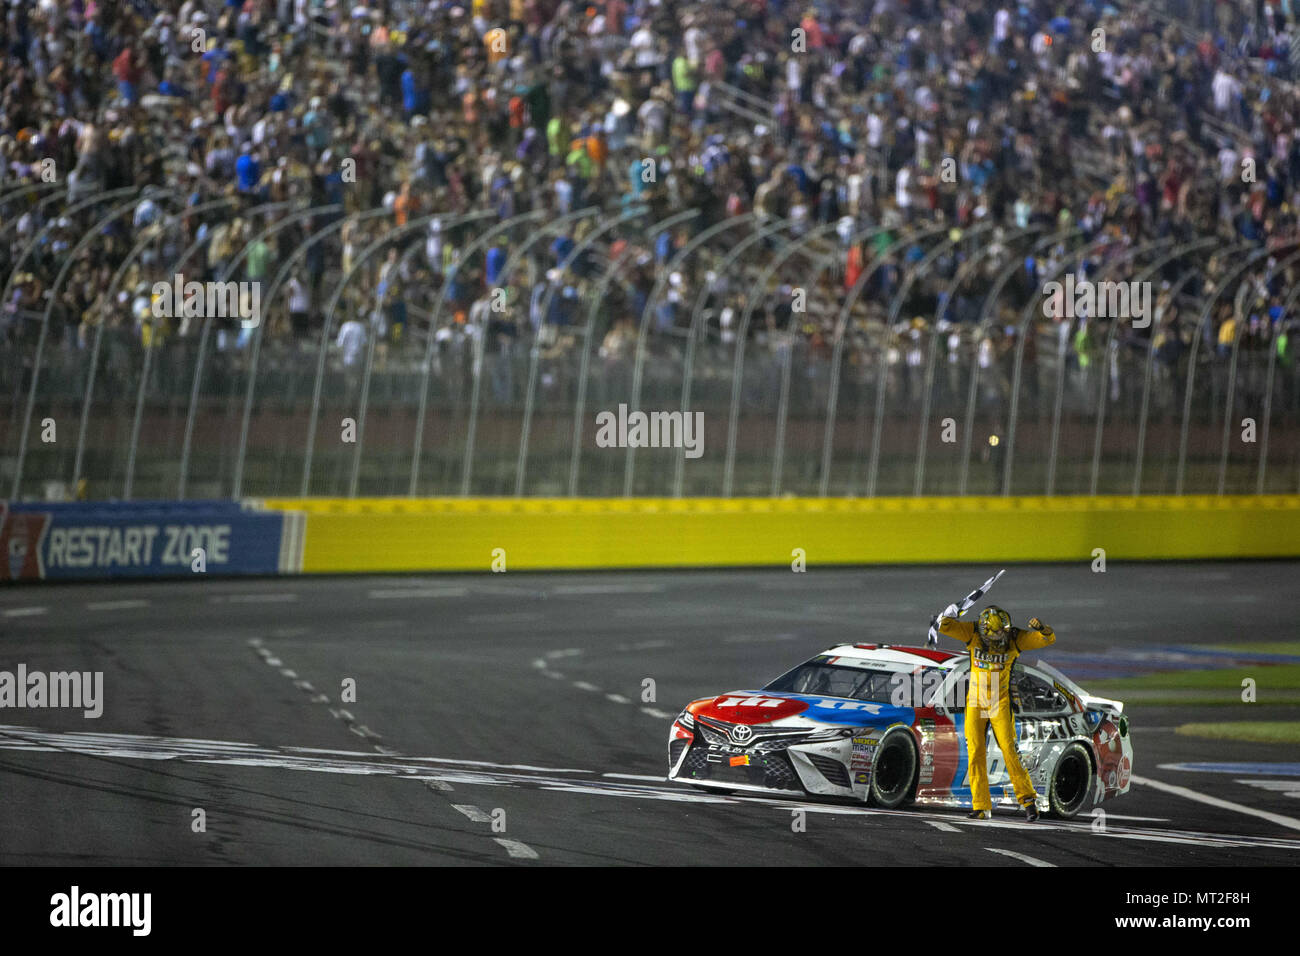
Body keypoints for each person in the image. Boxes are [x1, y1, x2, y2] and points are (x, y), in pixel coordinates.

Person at [934, 605, 1056, 822]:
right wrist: (949, 614)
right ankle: (981, 806)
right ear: (982, 630)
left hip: (999, 701)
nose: (996, 638)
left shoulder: (1016, 637)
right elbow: (943, 627)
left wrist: (1044, 630)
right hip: (976, 701)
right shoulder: (971, 631)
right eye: (991, 634)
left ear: (1007, 629)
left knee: (1009, 749)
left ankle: (1028, 801)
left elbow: (1046, 639)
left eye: (1000, 633)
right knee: (975, 751)